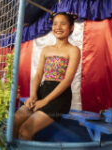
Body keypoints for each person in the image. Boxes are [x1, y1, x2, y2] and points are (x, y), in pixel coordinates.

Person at [13, 12, 81, 140]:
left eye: (63, 23)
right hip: (42, 91)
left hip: (59, 97)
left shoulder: (74, 50)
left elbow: (67, 80)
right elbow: (38, 74)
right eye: (55, 24)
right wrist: (33, 95)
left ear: (71, 27)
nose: (58, 27)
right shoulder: (46, 49)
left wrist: (45, 101)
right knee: (14, 121)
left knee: (25, 131)